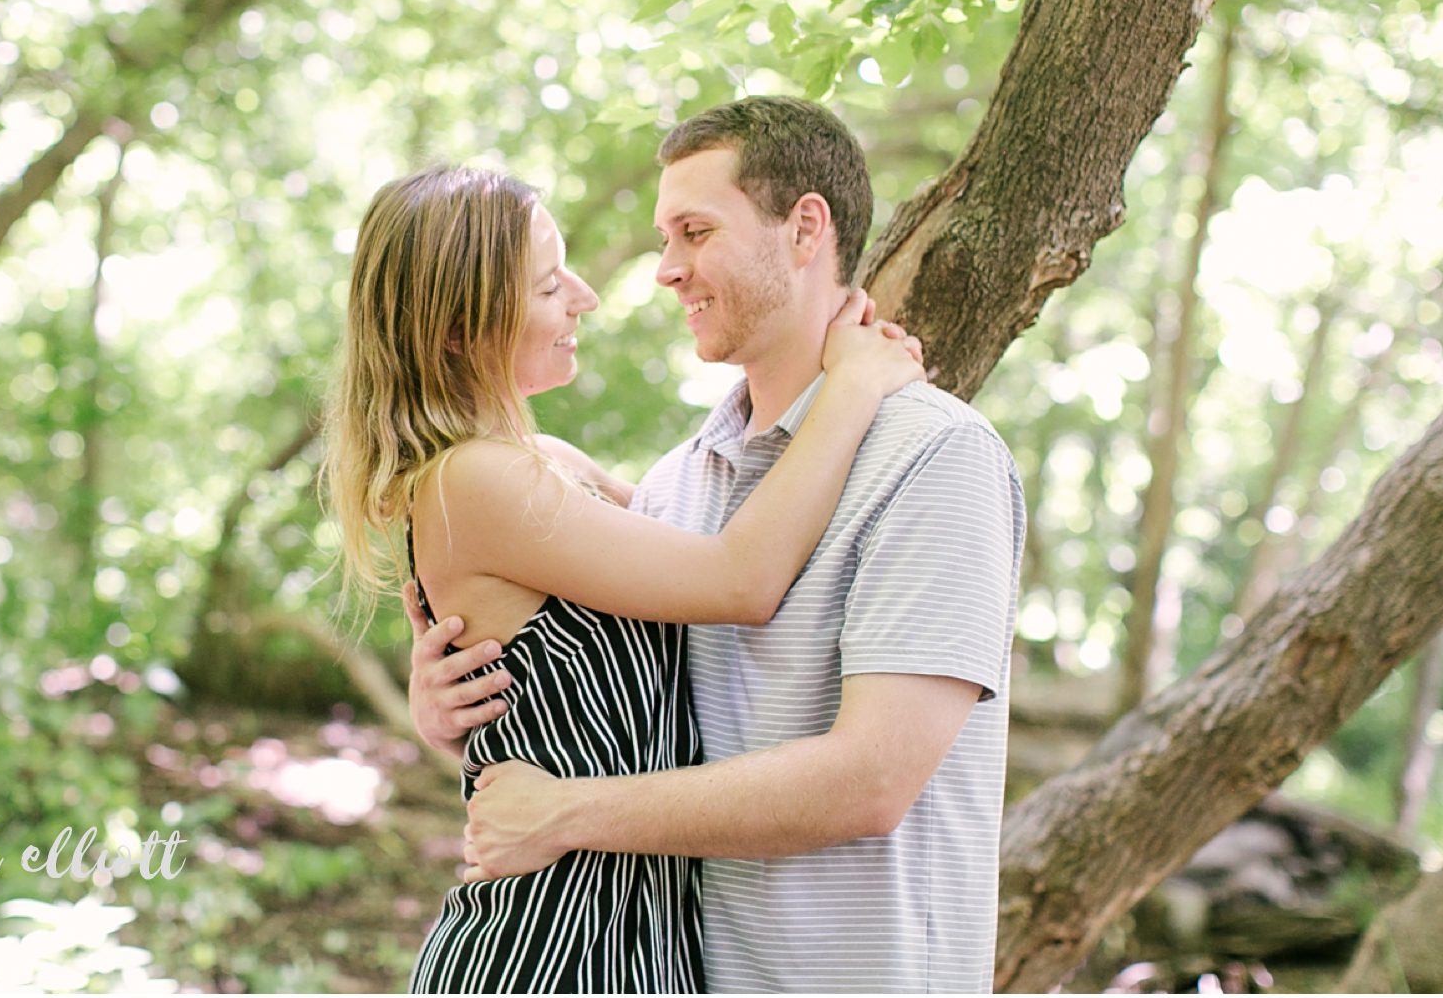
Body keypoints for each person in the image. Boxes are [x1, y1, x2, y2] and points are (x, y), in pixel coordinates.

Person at [408, 96, 1026, 994]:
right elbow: (583, 691)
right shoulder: (676, 484)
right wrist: (452, 700)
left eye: (695, 231)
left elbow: (871, 781)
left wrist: (567, 813)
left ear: (804, 228)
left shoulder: (934, 458)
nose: (665, 269)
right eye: (665, 236)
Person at [323, 163, 926, 993]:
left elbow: (694, 555)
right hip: (548, 954)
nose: (585, 296)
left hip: (636, 946)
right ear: (459, 329)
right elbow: (740, 577)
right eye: (546, 284)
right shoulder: (473, 481)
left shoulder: (550, 466)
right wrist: (853, 386)